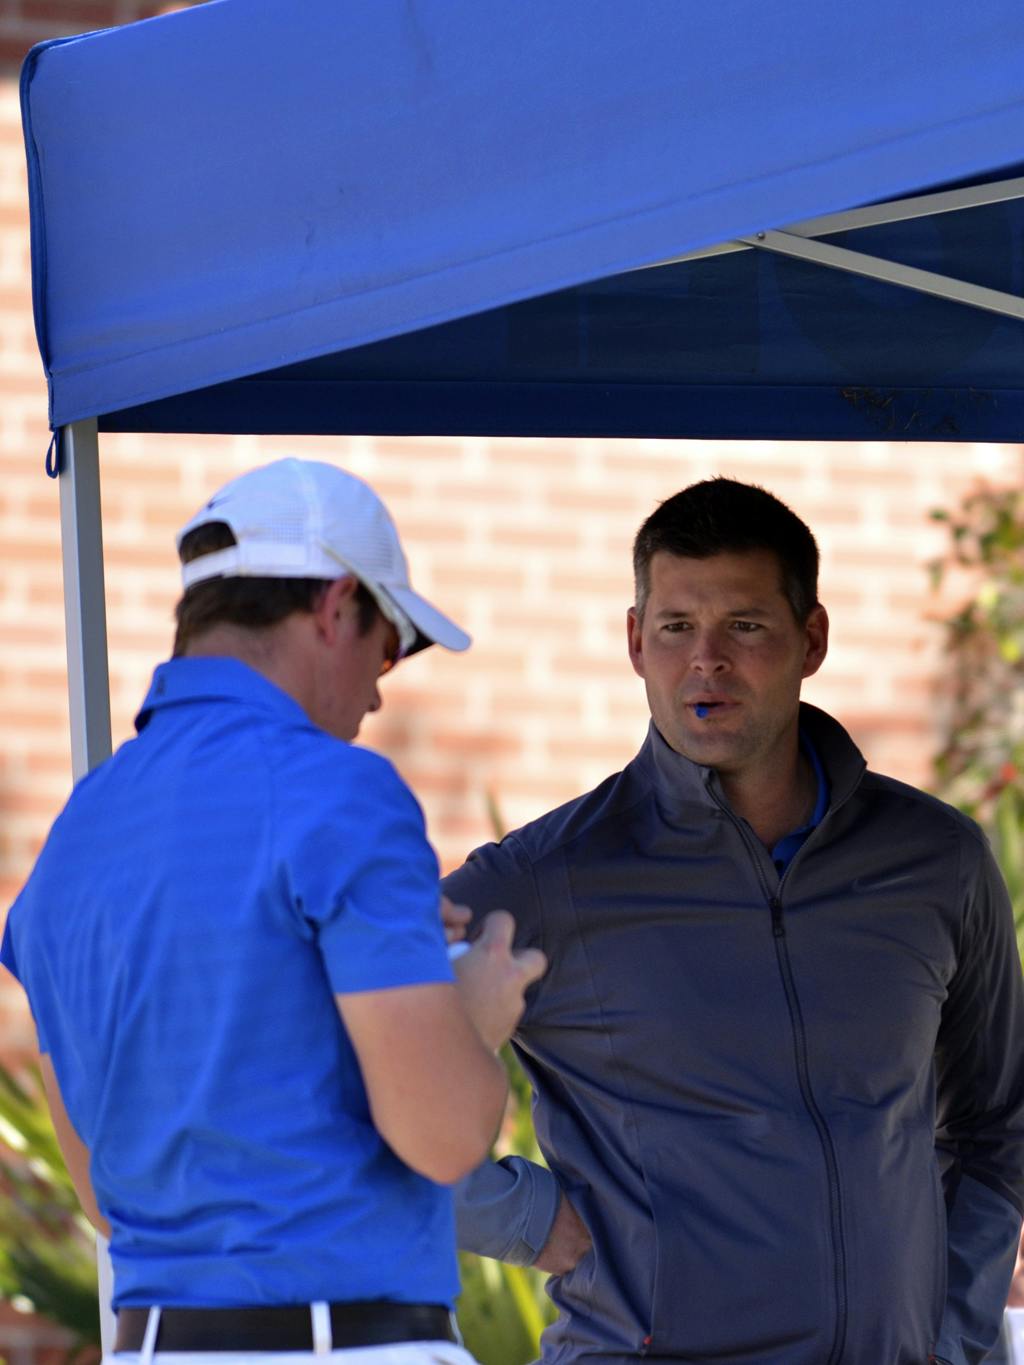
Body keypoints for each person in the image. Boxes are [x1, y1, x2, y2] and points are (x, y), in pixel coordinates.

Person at [447, 477, 1024, 1365]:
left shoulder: (937, 860)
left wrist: (948, 1334)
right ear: (636, 642)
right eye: (676, 627)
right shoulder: (544, 879)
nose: (706, 659)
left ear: (812, 638)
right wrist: (519, 1215)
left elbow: (997, 1124)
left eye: (745, 626)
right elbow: (337, 1071)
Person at [1, 457, 546, 1363]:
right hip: (347, 1343)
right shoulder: (340, 794)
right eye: (389, 646)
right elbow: (445, 1136)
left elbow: (105, 1190)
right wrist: (472, 1011)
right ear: (337, 606)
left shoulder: (74, 837)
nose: (378, 690)